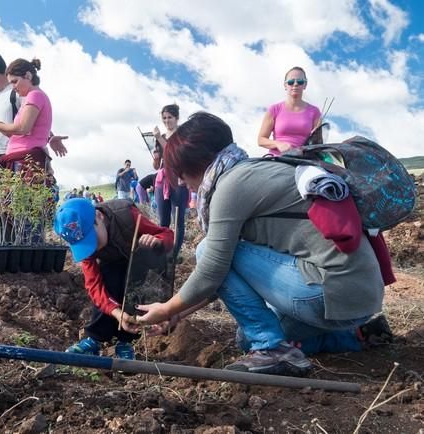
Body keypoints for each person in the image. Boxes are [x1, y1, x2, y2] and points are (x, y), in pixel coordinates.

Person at [134, 112, 391, 377]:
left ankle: (272, 348)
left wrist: (166, 308)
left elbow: (213, 269)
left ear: (196, 163)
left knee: (205, 249)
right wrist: (177, 313)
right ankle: (354, 336)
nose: (183, 183)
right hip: (357, 297)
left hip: (329, 290)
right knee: (246, 339)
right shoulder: (253, 170)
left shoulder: (231, 185)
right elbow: (221, 277)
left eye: (181, 174)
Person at [54, 198, 173, 360]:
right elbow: (94, 286)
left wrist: (157, 241)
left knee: (134, 288)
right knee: (108, 281)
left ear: (99, 216)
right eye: (84, 244)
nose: (91, 247)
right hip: (111, 264)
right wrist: (116, 312)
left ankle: (127, 341)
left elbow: (167, 234)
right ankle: (95, 338)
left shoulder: (126, 215)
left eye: (92, 239)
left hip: (140, 263)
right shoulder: (88, 249)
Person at [258, 66, 322, 155]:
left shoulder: (315, 112)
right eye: (291, 82)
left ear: (305, 85)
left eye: (300, 82)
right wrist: (278, 144)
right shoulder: (274, 109)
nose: (295, 84)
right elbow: (261, 140)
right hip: (276, 158)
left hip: (304, 160)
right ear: (285, 85)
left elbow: (318, 144)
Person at [153, 104, 189, 259]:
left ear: (177, 118)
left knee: (178, 220)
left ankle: (174, 255)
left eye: (170, 117)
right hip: (162, 180)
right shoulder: (160, 137)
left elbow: (174, 154)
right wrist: (155, 157)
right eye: (164, 118)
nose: (167, 121)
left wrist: (159, 138)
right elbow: (156, 165)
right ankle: (163, 253)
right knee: (163, 220)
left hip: (179, 179)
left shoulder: (183, 134)